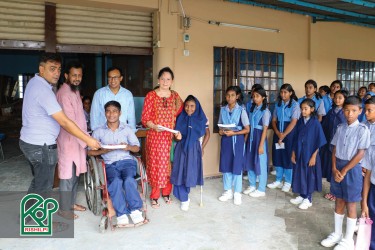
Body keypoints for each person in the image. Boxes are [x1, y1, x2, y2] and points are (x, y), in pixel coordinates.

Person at [19, 53, 100, 212]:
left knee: (40, 183)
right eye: (52, 69)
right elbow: (65, 121)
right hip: (42, 145)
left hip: (38, 142)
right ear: (41, 69)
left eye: (58, 68)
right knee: (47, 183)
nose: (56, 72)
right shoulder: (49, 91)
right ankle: (46, 216)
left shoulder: (39, 84)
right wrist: (88, 140)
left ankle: (34, 215)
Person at [321, 96, 370, 249]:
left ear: (359, 111)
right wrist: (334, 168)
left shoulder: (363, 129)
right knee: (339, 201)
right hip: (338, 168)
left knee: (351, 204)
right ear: (343, 111)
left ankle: (348, 240)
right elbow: (334, 148)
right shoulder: (340, 127)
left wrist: (344, 170)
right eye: (347, 110)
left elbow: (361, 153)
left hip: (352, 169)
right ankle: (337, 234)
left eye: (354, 111)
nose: (349, 114)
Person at [88, 101, 145, 225]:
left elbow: (137, 148)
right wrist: (103, 150)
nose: (111, 114)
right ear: (105, 113)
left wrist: (128, 147)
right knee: (116, 182)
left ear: (120, 113)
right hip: (109, 164)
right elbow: (90, 152)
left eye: (114, 111)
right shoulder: (98, 131)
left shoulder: (127, 129)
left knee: (129, 180)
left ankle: (135, 210)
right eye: (108, 111)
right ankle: (121, 213)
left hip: (126, 162)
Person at [141, 67, 183, 208]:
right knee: (155, 165)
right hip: (155, 137)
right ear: (158, 80)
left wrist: (178, 131)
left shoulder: (175, 96)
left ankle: (166, 193)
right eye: (163, 78)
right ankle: (154, 196)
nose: (165, 81)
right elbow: (145, 118)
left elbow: (181, 116)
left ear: (172, 81)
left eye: (168, 79)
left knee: (168, 165)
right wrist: (153, 126)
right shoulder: (151, 96)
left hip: (169, 138)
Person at [56, 61, 88, 219]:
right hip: (68, 141)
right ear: (66, 76)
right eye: (74, 75)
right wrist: (87, 139)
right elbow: (68, 123)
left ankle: (71, 203)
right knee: (67, 175)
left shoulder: (74, 91)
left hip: (78, 141)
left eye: (80, 75)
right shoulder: (64, 93)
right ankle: (64, 208)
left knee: (75, 175)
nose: (77, 78)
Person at [171, 95, 210, 211]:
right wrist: (177, 137)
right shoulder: (180, 117)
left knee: (189, 172)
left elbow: (207, 134)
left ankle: (185, 194)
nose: (189, 108)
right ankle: (184, 198)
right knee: (179, 172)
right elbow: (176, 137)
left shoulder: (202, 118)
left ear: (196, 106)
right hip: (181, 147)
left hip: (194, 148)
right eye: (187, 106)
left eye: (192, 106)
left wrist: (202, 148)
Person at [290, 98, 326, 210]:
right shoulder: (300, 122)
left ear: (312, 109)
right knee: (300, 174)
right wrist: (293, 153)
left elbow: (319, 141)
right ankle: (302, 195)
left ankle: (308, 198)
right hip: (300, 153)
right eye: (302, 109)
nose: (303, 111)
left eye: (305, 109)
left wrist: (313, 156)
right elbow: (295, 138)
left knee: (309, 175)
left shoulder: (315, 123)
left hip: (310, 155)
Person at [218, 86, 250, 206]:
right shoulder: (223, 110)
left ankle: (237, 193)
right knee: (226, 165)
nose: (229, 98)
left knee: (237, 166)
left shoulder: (241, 110)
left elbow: (247, 129)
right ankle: (228, 191)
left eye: (232, 95)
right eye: (227, 95)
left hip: (237, 141)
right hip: (226, 140)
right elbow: (220, 126)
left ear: (237, 96)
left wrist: (234, 133)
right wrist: (221, 131)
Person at [268, 84, 300, 192]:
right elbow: (273, 120)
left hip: (289, 133)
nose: (283, 94)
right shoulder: (278, 104)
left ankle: (287, 181)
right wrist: (277, 133)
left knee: (287, 156)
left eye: (285, 92)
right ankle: (278, 179)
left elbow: (294, 121)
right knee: (278, 155)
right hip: (278, 132)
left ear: (290, 93)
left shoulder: (295, 105)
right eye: (281, 92)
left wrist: (284, 135)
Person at [243, 86, 271, 198]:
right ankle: (252, 184)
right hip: (251, 137)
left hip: (260, 138)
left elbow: (265, 129)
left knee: (261, 163)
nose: (255, 98)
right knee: (250, 161)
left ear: (263, 97)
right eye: (253, 96)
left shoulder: (266, 111)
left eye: (257, 96)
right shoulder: (252, 109)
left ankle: (261, 189)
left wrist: (261, 145)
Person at [321, 90, 348, 202]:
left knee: (339, 169)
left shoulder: (345, 112)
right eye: (336, 97)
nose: (337, 100)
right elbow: (325, 126)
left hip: (341, 146)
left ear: (345, 99)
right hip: (330, 144)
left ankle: (337, 193)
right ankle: (333, 191)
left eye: (340, 98)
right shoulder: (331, 111)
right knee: (332, 168)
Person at [90, 66, 136, 131]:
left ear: (121, 78)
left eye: (115, 77)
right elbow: (94, 115)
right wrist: (96, 133)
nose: (112, 80)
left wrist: (131, 132)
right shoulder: (99, 94)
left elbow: (131, 117)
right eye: (110, 77)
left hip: (122, 133)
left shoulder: (127, 94)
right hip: (103, 133)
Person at [360, 96, 375, 250]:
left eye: (369, 110)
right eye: (365, 109)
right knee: (365, 199)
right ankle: (364, 218)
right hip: (365, 167)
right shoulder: (363, 126)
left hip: (370, 166)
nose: (366, 113)